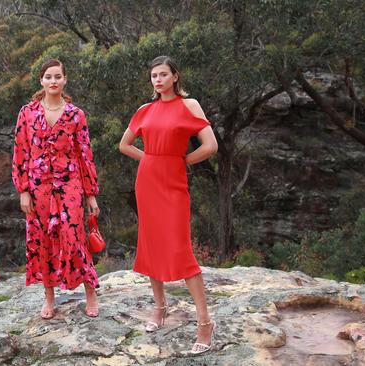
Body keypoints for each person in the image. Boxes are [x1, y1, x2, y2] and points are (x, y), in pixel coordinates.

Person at [118, 56, 219, 354]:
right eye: (153, 76)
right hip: (147, 182)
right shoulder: (144, 110)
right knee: (151, 244)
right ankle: (159, 307)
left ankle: (205, 322)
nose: (158, 80)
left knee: (179, 248)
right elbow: (124, 145)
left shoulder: (190, 105)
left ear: (175, 76)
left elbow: (210, 145)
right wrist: (150, 160)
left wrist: (181, 161)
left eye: (163, 74)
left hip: (173, 182)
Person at [12, 59, 101, 319]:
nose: (53, 81)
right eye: (48, 77)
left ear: (65, 80)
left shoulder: (76, 114)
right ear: (41, 80)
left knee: (73, 237)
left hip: (69, 183)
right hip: (38, 187)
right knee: (42, 241)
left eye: (58, 77)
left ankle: (91, 293)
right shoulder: (27, 112)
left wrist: (91, 195)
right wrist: (23, 190)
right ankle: (49, 298)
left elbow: (85, 154)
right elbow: (20, 152)